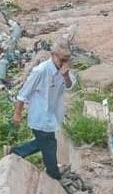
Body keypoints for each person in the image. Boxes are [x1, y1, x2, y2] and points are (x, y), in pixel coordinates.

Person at [9, 41, 76, 181]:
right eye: (61, 60)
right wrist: (17, 113)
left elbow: (69, 86)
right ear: (53, 56)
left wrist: (65, 75)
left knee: (43, 142)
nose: (63, 63)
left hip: (52, 114)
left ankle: (15, 152)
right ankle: (53, 174)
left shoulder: (64, 70)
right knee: (49, 144)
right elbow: (23, 94)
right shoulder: (41, 71)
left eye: (66, 60)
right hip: (40, 114)